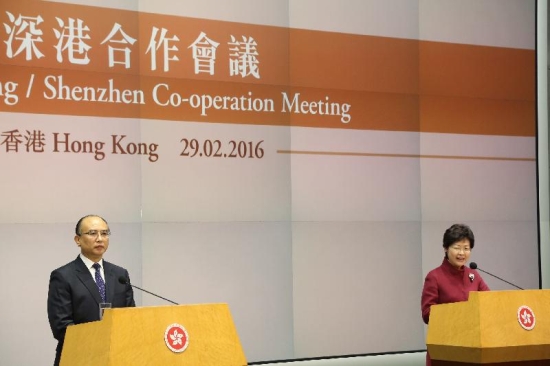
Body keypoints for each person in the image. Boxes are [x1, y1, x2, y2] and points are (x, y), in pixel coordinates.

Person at [47, 215, 135, 366]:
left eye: (104, 233)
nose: (100, 238)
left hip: (116, 357)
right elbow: (61, 326)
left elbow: (130, 318)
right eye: (93, 233)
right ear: (78, 240)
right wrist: (99, 339)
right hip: (79, 357)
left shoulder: (120, 274)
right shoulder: (63, 276)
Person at [421, 223, 489, 366]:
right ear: (446, 248)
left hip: (472, 349)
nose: (462, 253)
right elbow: (427, 314)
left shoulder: (473, 275)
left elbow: (489, 303)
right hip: (445, 351)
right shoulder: (434, 277)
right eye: (457, 248)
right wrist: (458, 314)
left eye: (466, 249)